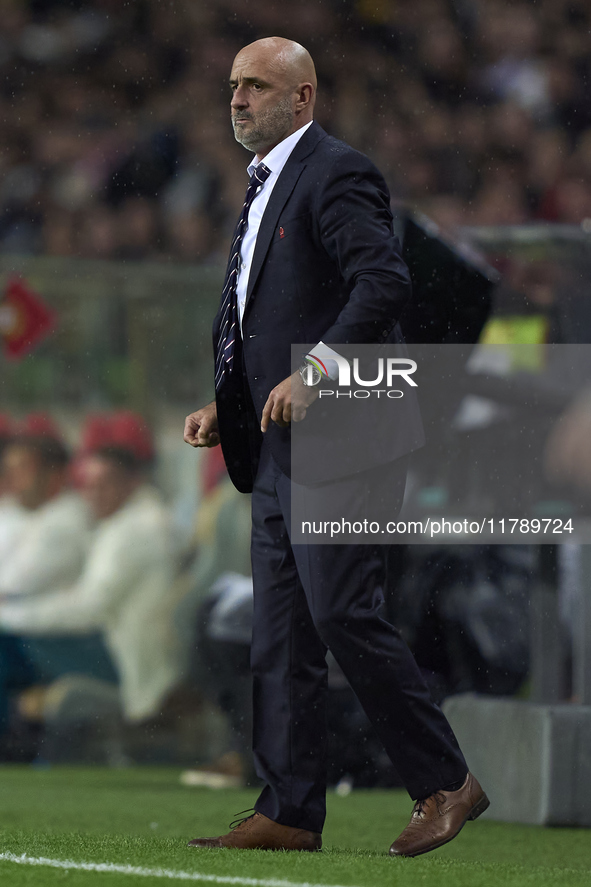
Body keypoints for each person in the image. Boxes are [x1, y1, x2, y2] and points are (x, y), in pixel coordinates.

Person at [183, 37, 488, 858]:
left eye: (256, 85)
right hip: (279, 440)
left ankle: (445, 782)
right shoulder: (260, 184)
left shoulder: (334, 171)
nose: (238, 98)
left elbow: (382, 280)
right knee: (279, 632)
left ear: (302, 97)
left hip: (346, 430)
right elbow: (262, 312)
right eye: (233, 85)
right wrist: (230, 400)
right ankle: (288, 807)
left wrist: (317, 370)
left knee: (341, 610)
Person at [0, 446, 184, 727]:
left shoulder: (136, 530)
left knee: (10, 644)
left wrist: (8, 616)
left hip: (126, 659)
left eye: (105, 483)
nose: (94, 494)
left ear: (133, 482)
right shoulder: (124, 522)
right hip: (113, 644)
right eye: (88, 486)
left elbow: (87, 609)